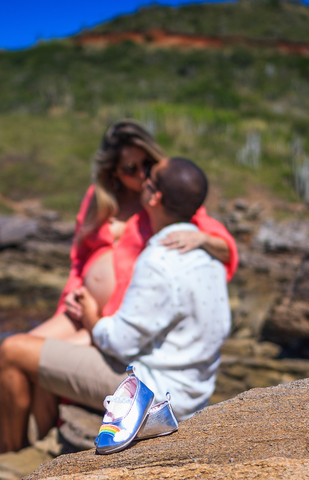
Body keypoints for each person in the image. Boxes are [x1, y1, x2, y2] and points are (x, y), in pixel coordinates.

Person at [0, 158, 229, 480]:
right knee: (44, 357)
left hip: (153, 389)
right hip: (192, 390)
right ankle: (40, 448)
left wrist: (91, 316)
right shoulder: (210, 256)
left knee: (13, 351)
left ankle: (2, 458)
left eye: (149, 178)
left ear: (155, 198)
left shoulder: (160, 258)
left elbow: (120, 341)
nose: (142, 179)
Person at [29, 120, 238, 344]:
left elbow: (226, 249)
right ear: (114, 172)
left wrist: (202, 238)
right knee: (21, 346)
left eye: (147, 164)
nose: (141, 174)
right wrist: (73, 291)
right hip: (82, 308)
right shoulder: (97, 199)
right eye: (130, 168)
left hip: (120, 321)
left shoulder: (166, 200)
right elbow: (78, 258)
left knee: (30, 359)